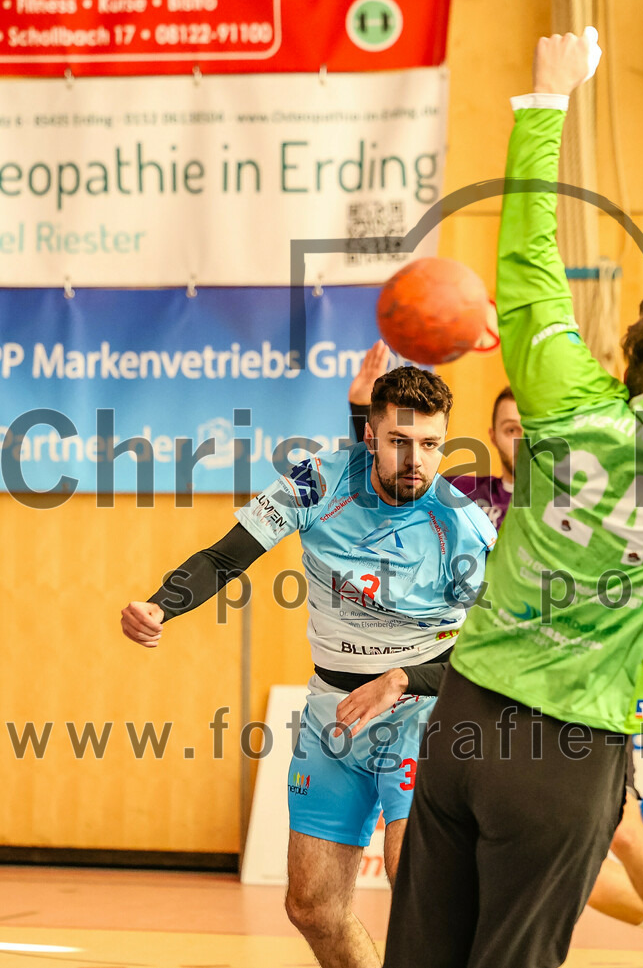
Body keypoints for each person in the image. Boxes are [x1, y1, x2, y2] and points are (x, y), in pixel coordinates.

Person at [381, 34, 643, 968]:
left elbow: (527, 265)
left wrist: (545, 99)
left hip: (466, 718)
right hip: (572, 748)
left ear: (627, 365)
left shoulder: (565, 403)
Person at [120, 366, 496, 968]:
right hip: (331, 712)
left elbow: (495, 652)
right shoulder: (316, 481)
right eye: (400, 442)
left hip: (424, 708)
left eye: (431, 444)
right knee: (313, 908)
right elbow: (224, 557)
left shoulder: (462, 526)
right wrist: (160, 605)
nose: (417, 461)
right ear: (369, 437)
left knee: (417, 886)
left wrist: (403, 679)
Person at [348, 363, 643, 968]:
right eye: (508, 428)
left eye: (529, 427)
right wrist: (360, 417)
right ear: (493, 436)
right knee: (518, 849)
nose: (520, 438)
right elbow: (389, 488)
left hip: (575, 695)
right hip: (483, 688)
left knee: (617, 824)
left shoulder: (586, 497)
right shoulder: (469, 497)